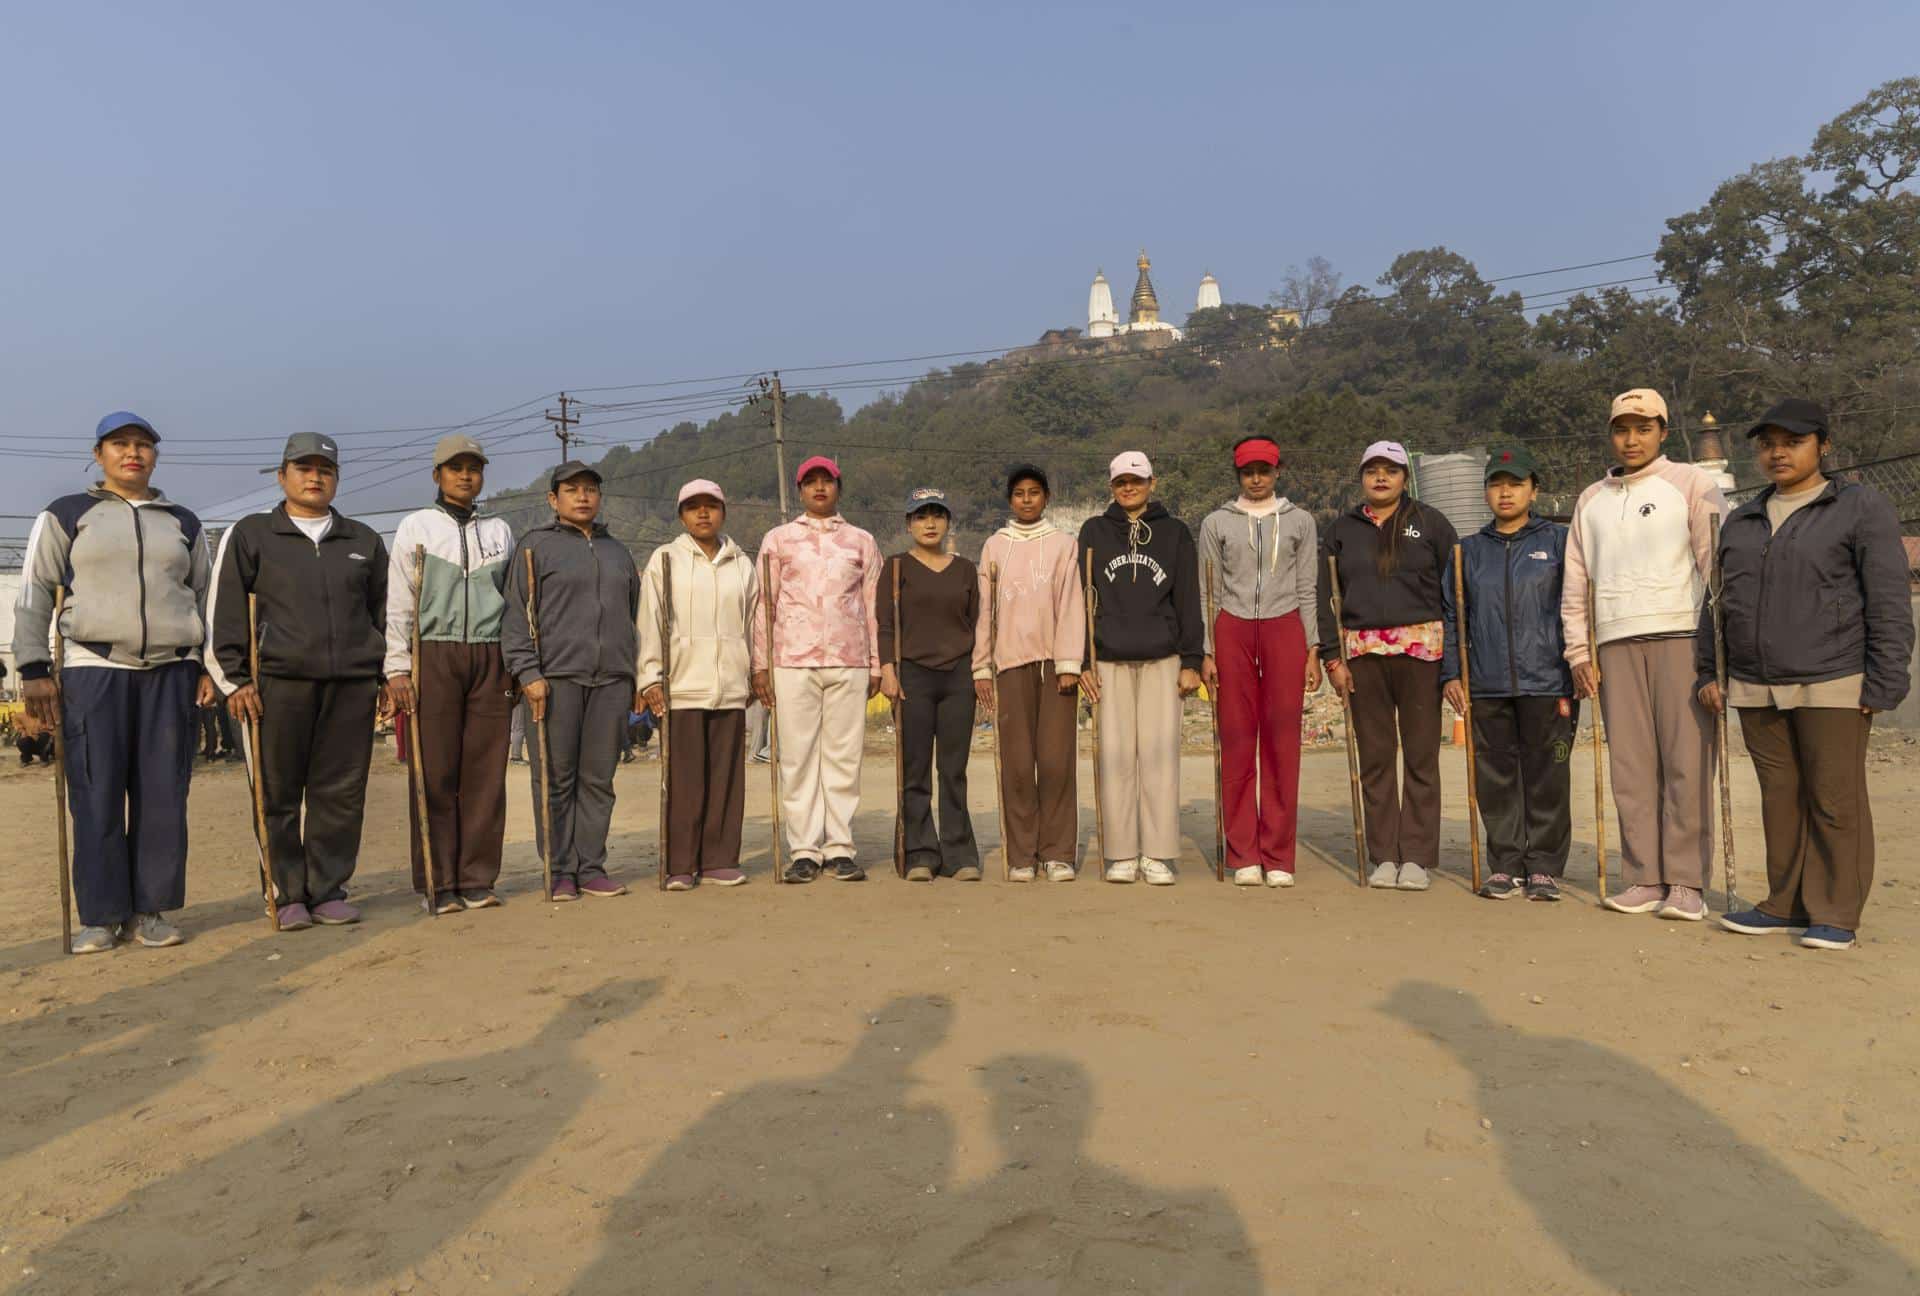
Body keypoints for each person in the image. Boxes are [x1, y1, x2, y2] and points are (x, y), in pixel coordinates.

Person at [1699, 399, 1915, 952]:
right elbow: (1717, 602)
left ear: (1823, 445)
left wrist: (1886, 678)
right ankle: (1784, 903)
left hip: (1833, 676)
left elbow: (1888, 599)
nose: (1778, 452)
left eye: (1792, 441)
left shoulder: (1859, 507)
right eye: (1768, 443)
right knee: (1780, 796)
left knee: (1834, 797)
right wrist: (1709, 668)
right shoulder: (1743, 520)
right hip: (1753, 681)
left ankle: (1836, 911)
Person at [12, 412, 215, 954]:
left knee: (163, 795)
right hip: (92, 668)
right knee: (96, 792)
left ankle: (151, 911)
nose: (133, 453)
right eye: (120, 444)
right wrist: (33, 668)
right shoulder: (66, 515)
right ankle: (101, 916)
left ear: (155, 456)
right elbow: (34, 592)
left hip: (170, 672)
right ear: (99, 454)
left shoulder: (183, 522)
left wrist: (204, 665)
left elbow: (205, 598)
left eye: (144, 445)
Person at [207, 433, 389, 930]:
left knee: (341, 792)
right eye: (304, 468)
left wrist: (383, 674)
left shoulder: (363, 541)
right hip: (275, 687)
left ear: (336, 478)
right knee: (277, 793)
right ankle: (286, 893)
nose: (315, 477)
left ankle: (327, 889)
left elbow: (382, 614)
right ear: (282, 475)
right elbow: (224, 612)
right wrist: (234, 680)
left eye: (325, 470)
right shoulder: (250, 534)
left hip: (351, 685)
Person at [1562, 389, 1726, 921]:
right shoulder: (1591, 500)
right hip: (1614, 643)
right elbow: (1575, 583)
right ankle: (1645, 877)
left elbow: (1717, 573)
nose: (1631, 439)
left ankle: (1686, 883)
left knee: (1686, 763)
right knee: (1631, 767)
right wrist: (1579, 650)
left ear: (1663, 430)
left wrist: (1718, 652)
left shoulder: (1692, 485)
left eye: (1643, 428)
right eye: (1621, 429)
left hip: (1680, 635)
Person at [1317, 440, 1458, 892]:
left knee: (1421, 755)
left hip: (1421, 654)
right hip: (1362, 657)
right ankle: (1383, 855)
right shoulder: (1342, 530)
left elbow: (1455, 595)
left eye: (1391, 470)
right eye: (1373, 470)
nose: (1381, 477)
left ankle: (1416, 856)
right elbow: (1326, 599)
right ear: (1361, 477)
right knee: (1376, 758)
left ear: (1405, 477)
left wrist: (1454, 662)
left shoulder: (1431, 523)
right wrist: (1332, 659)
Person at [384, 433, 516, 914]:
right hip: (433, 653)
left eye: (474, 467)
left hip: (489, 654)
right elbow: (398, 601)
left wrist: (515, 663)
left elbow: (514, 603)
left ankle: (477, 878)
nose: (465, 475)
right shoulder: (415, 526)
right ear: (437, 474)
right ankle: (438, 883)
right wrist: (397, 666)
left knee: (485, 772)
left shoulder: (500, 531)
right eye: (455, 467)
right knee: (435, 769)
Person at [1441, 444, 1576, 902]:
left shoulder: (1558, 543)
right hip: (1488, 681)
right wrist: (1452, 674)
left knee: (1547, 774)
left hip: (1548, 678)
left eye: (1515, 484)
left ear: (1534, 490)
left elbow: (1577, 607)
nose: (1505, 493)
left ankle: (1544, 867)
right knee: (1495, 776)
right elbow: (1451, 617)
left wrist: (1579, 661)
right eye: (1496, 484)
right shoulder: (1467, 552)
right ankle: (1505, 864)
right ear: (1484, 492)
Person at [503, 461, 641, 902]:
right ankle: (560, 869)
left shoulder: (619, 552)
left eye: (590, 490)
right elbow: (516, 617)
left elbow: (633, 616)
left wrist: (632, 673)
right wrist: (529, 672)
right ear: (553, 499)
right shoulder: (534, 547)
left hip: (612, 682)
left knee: (598, 779)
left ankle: (591, 866)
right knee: (555, 779)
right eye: (572, 490)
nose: (583, 497)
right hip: (555, 681)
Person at [750, 455, 883, 883]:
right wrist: (761, 664)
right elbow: (763, 606)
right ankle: (805, 849)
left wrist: (877, 663)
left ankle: (840, 846)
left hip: (849, 659)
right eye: (812, 482)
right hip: (792, 660)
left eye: (827, 481)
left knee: (844, 758)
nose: (820, 488)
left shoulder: (861, 541)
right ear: (800, 490)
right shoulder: (778, 540)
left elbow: (874, 607)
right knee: (798, 757)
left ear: (839, 488)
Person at [1198, 436, 1320, 888]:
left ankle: (1278, 855)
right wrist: (1207, 649)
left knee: (1282, 741)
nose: (1256, 479)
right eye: (1248, 471)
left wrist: (1312, 648)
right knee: (1236, 739)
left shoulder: (1301, 521)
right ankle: (1243, 852)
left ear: (1277, 471)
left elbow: (1308, 585)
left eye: (1263, 471)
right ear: (1238, 474)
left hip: (1285, 625)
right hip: (1231, 628)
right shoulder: (1216, 523)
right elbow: (1207, 590)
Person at [1079, 451, 1204, 885]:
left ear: (1152, 482)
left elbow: (1188, 598)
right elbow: (1082, 599)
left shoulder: (1174, 533)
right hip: (1109, 660)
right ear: (1111, 487)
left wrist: (1192, 660)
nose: (1128, 488)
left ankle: (1158, 852)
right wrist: (1082, 661)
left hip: (1163, 658)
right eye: (1120, 482)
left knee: (1159, 757)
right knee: (1114, 758)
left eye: (1137, 480)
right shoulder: (1094, 531)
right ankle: (1120, 853)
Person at [638, 478, 757, 890]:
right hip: (682, 684)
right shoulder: (665, 559)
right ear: (682, 515)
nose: (703, 513)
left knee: (726, 776)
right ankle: (681, 864)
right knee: (685, 778)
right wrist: (650, 675)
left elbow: (753, 624)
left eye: (711, 506)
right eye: (693, 507)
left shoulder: (741, 562)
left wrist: (754, 670)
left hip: (730, 686)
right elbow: (650, 621)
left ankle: (721, 858)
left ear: (724, 511)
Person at [974, 464, 1084, 883]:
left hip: (1056, 666)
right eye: (1018, 493)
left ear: (1046, 498)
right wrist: (982, 666)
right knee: (1018, 764)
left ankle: (1057, 852)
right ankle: (1021, 854)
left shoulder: (1062, 545)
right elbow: (986, 612)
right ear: (1009, 499)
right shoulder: (994, 547)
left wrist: (1070, 661)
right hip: (1010, 664)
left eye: (1034, 492)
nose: (1026, 500)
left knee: (1056, 761)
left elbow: (1072, 604)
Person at [879, 487, 982, 882]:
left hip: (958, 675)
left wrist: (978, 672)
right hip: (913, 675)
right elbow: (886, 624)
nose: (930, 523)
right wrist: (888, 669)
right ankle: (919, 853)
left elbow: (975, 624)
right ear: (909, 523)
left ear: (948, 522)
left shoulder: (965, 570)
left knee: (953, 769)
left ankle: (958, 854)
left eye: (937, 515)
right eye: (921, 516)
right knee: (915, 768)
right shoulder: (895, 567)